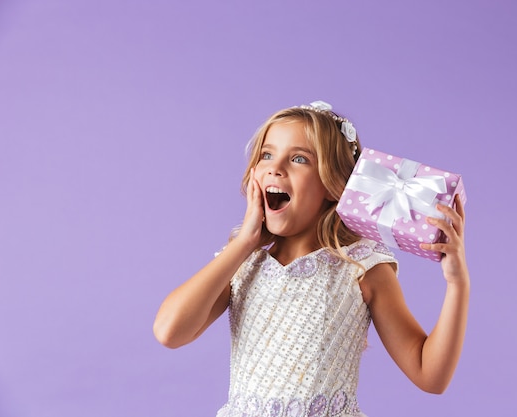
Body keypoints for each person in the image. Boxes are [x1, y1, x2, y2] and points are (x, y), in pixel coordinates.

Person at [153, 101, 470, 417]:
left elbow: (430, 375)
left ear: (332, 185)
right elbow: (170, 331)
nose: (276, 168)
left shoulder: (362, 267)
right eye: (267, 155)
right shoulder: (242, 265)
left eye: (299, 158)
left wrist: (457, 283)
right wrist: (244, 244)